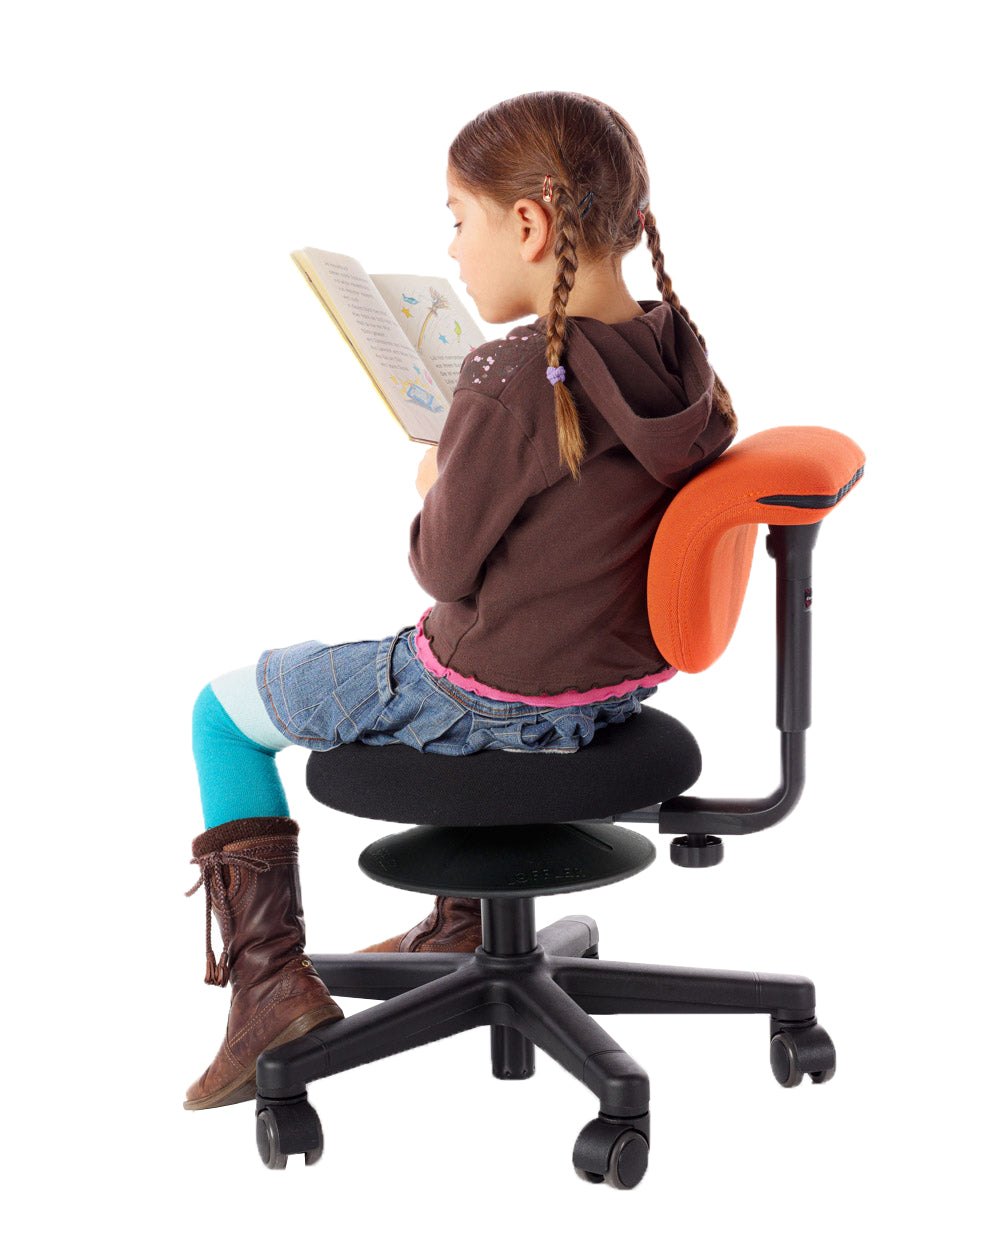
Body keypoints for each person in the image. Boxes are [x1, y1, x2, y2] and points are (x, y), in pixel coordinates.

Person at [183, 90, 738, 1111]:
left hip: (493, 700)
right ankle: (462, 922)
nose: (450, 248)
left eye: (457, 218)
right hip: (609, 687)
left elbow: (441, 569)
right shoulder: (676, 350)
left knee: (224, 711)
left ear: (528, 224)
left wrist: (440, 469)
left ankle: (268, 991)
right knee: (449, 644)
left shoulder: (513, 374)